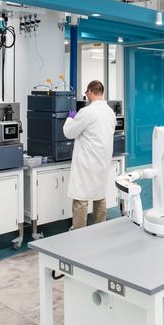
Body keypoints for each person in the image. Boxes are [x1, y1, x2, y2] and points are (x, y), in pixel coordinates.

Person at [63, 80, 116, 230]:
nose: (86, 96)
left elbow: (69, 132)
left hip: (86, 162)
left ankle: (79, 235)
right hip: (102, 161)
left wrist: (70, 118)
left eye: (86, 93)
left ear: (91, 92)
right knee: (99, 196)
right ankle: (99, 231)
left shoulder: (87, 112)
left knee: (81, 199)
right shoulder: (110, 112)